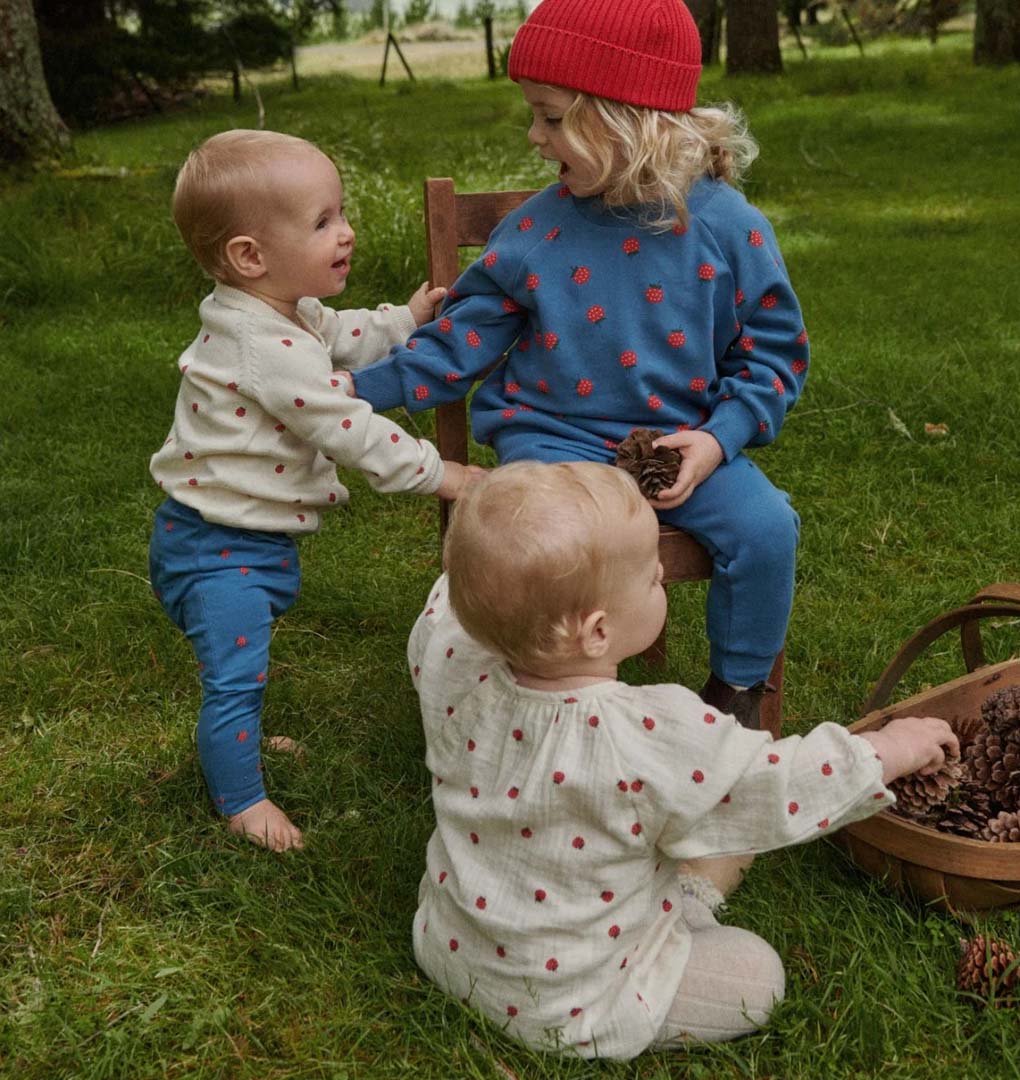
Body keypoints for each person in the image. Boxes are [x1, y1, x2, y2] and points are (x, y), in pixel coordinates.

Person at [344, 0, 803, 734]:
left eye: (552, 118)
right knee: (544, 546)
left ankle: (736, 698)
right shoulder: (533, 232)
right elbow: (456, 346)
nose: (534, 136)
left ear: (628, 120)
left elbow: (772, 357)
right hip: (553, 448)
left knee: (767, 529)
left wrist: (716, 441)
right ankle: (534, 699)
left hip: (679, 449)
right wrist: (345, 393)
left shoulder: (728, 228)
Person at [408, 460, 958, 1059]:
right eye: (651, 578)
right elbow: (776, 787)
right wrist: (889, 750)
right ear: (596, 632)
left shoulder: (454, 659)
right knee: (758, 972)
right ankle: (687, 913)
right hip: (576, 999)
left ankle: (656, 915)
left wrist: (492, 565)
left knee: (683, 829)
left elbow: (448, 603)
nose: (664, 575)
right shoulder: (647, 733)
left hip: (453, 950)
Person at [149, 129, 478, 852]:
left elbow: (344, 333)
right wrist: (443, 474)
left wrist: (406, 319)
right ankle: (242, 801)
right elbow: (347, 427)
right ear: (249, 255)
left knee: (245, 661)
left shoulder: (282, 311)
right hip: (216, 548)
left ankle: (244, 739)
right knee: (233, 675)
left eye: (341, 213)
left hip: (238, 536)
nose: (346, 232)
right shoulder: (263, 349)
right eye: (322, 221)